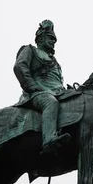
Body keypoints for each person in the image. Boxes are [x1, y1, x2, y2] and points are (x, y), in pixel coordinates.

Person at [14, 20, 71, 154]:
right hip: (37, 94)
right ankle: (49, 140)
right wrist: (31, 85)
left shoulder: (55, 62)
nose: (53, 42)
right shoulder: (29, 50)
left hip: (57, 93)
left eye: (54, 40)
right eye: (51, 38)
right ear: (40, 38)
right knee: (50, 103)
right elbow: (20, 66)